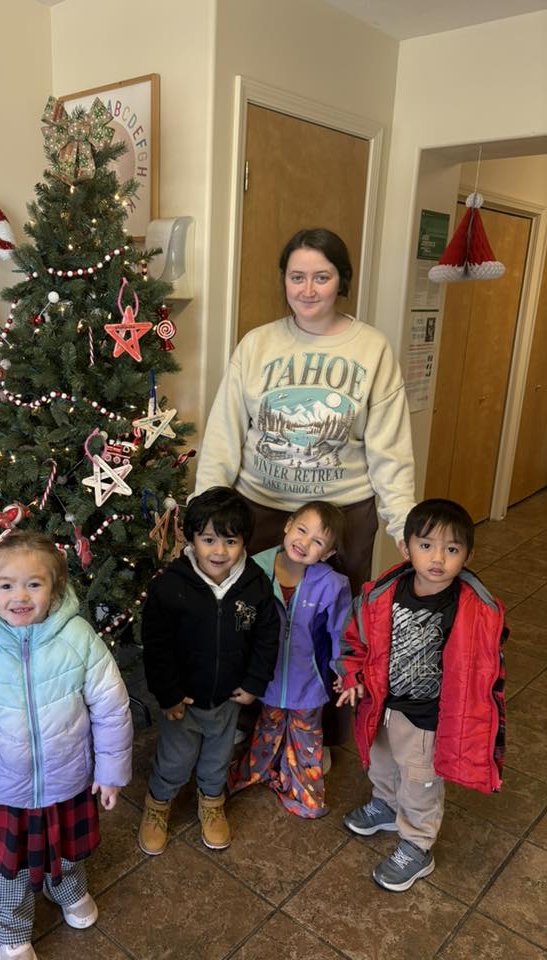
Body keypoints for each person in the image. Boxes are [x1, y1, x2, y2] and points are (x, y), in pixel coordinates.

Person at [0, 531, 132, 960]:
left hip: (69, 780)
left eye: (33, 583)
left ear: (55, 587)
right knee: (11, 869)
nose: (20, 596)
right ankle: (9, 931)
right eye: (7, 585)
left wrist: (111, 772)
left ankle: (67, 890)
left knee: (69, 850)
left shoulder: (79, 639)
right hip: (8, 790)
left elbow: (111, 707)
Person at [194, 227, 415, 592]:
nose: (307, 290)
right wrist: (206, 508)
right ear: (285, 279)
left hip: (341, 522)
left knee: (333, 619)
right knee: (253, 614)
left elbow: (390, 450)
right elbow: (223, 435)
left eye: (321, 278)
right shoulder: (256, 344)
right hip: (260, 513)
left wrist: (403, 522)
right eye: (297, 277)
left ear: (342, 280)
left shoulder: (373, 348)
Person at [335, 499, 507, 892]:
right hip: (383, 705)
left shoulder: (475, 610)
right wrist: (352, 676)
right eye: (426, 545)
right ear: (405, 547)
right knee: (381, 762)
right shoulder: (382, 594)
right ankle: (386, 804)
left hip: (429, 717)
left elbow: (483, 670)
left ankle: (418, 844)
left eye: (452, 549)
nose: (438, 559)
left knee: (419, 781)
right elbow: (356, 640)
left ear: (468, 556)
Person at [137, 486, 280, 856]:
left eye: (230, 541)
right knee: (175, 759)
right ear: (191, 539)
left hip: (229, 697)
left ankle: (212, 801)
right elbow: (156, 645)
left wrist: (254, 682)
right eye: (209, 540)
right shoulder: (170, 586)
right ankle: (158, 803)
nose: (219, 551)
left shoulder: (255, 584)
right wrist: (168, 694)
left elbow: (267, 636)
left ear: (243, 541)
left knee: (218, 758)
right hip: (183, 699)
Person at [228, 501, 352, 817]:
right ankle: (257, 771)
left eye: (317, 541)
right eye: (302, 530)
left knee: (307, 738)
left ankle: (304, 793)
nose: (304, 543)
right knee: (267, 727)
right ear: (288, 525)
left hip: (308, 681)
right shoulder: (254, 568)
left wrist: (345, 670)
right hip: (266, 677)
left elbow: (341, 633)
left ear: (327, 553)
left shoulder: (332, 584)